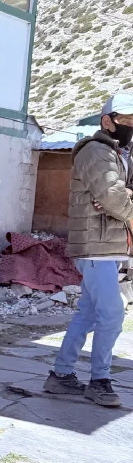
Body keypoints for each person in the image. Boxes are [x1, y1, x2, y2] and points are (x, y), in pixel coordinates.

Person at [45, 92, 133, 407]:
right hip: (97, 247)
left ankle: (61, 375)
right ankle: (100, 381)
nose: (130, 125)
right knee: (112, 314)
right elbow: (112, 198)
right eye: (125, 119)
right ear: (106, 121)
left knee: (89, 312)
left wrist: (123, 198)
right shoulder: (97, 152)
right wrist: (117, 200)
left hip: (109, 246)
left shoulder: (121, 153)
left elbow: (119, 198)